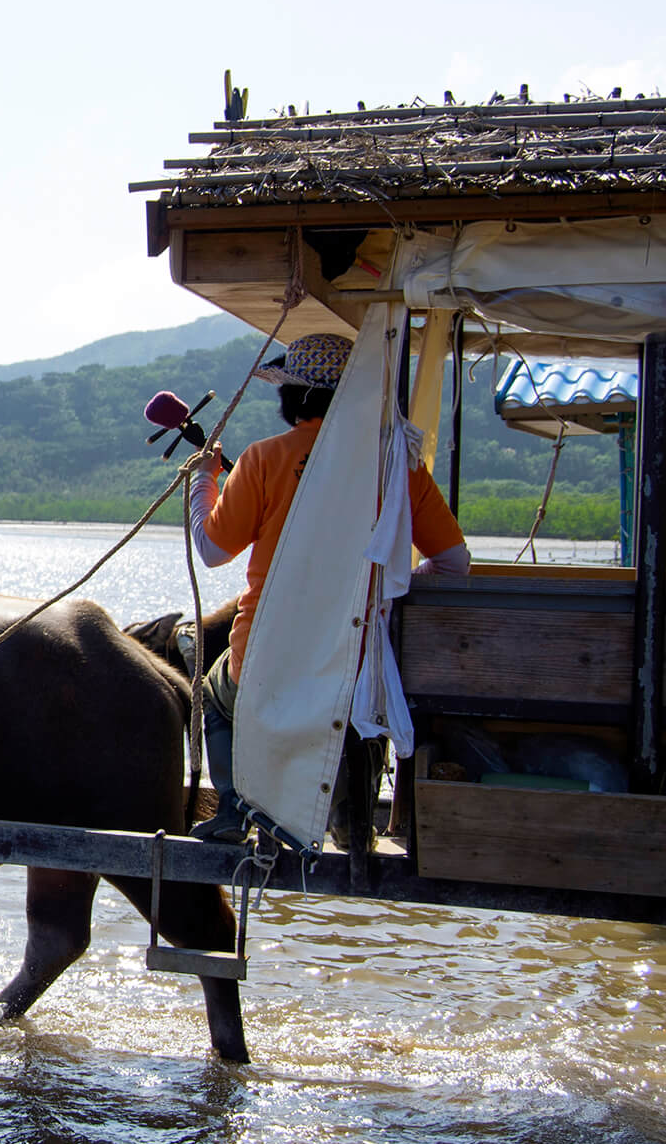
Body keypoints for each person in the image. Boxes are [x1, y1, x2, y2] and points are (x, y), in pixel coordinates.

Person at [185, 333, 471, 842]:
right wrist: (389, 589)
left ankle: (233, 812)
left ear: (293, 397)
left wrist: (204, 482)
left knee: (213, 693)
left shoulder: (263, 458)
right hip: (355, 655)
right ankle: (352, 818)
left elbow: (210, 550)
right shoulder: (397, 463)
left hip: (267, 656)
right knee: (362, 700)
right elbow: (452, 563)